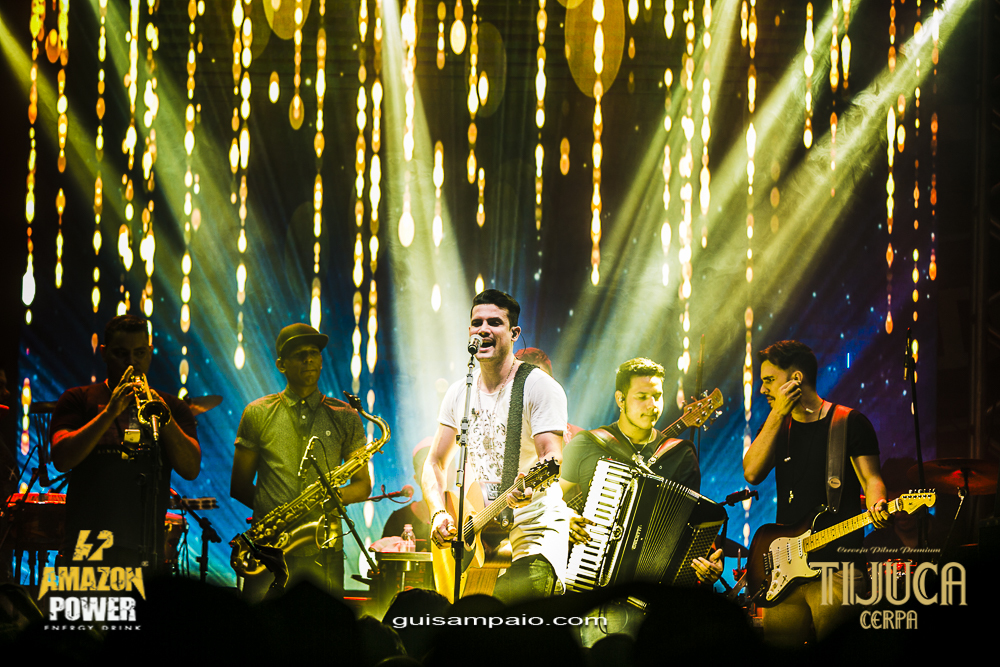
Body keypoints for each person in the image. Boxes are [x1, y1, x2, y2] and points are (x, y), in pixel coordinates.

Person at [422, 290, 570, 604]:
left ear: (514, 333)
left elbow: (551, 456)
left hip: (533, 531)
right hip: (483, 529)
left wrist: (527, 485)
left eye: (495, 322)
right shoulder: (459, 392)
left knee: (515, 618)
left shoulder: (539, 387)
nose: (484, 329)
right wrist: (438, 513)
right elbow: (435, 462)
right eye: (477, 323)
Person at [743, 340, 889, 646]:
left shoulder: (849, 422)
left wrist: (878, 503)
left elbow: (872, 479)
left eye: (769, 380)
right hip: (786, 573)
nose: (762, 389)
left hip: (838, 567)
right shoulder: (776, 426)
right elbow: (752, 472)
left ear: (796, 378)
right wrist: (777, 414)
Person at [230, 323, 371, 600]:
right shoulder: (257, 413)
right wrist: (276, 518)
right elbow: (239, 486)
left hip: (325, 546)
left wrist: (330, 500)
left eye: (314, 353)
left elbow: (363, 485)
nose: (308, 359)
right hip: (268, 549)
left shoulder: (346, 415)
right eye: (299, 354)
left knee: (322, 627)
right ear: (281, 364)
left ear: (321, 360)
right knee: (261, 625)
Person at [49, 315, 201, 568]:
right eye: (121, 353)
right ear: (104, 353)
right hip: (87, 544)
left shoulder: (172, 407)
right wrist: (110, 412)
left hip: (147, 545)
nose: (131, 361)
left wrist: (162, 415)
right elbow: (62, 459)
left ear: (150, 353)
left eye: (139, 353)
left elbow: (191, 469)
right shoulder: (77, 398)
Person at [560, 357, 722, 583]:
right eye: (642, 396)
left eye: (657, 396)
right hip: (586, 577)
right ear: (620, 399)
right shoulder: (586, 444)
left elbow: (691, 524)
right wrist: (565, 516)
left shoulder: (681, 455)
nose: (652, 405)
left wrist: (707, 562)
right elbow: (549, 498)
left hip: (651, 588)